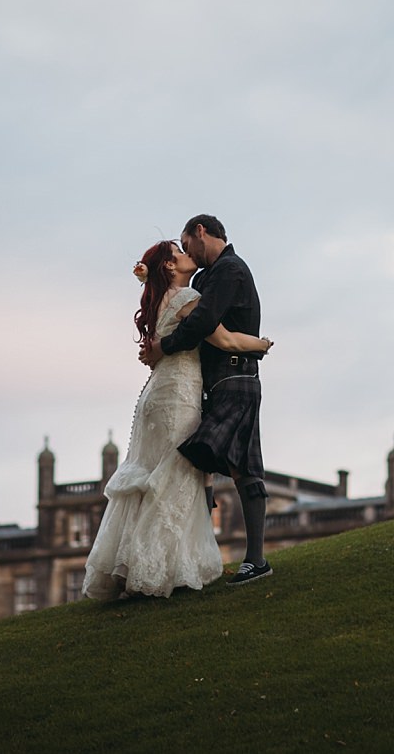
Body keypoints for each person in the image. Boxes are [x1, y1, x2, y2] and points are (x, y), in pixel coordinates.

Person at [83, 237, 272, 601]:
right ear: (170, 267)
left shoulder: (159, 301)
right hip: (179, 396)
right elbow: (227, 341)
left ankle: (128, 566)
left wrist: (146, 277)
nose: (188, 255)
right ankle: (155, 568)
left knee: (150, 474)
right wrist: (262, 344)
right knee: (175, 477)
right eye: (180, 252)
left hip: (154, 396)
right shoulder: (187, 299)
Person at [139, 214, 272, 586]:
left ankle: (256, 561)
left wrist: (163, 346)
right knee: (204, 462)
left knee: (233, 462)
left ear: (201, 232)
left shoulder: (230, 269)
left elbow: (203, 323)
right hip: (215, 381)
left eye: (185, 243)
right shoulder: (204, 278)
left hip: (237, 376)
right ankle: (194, 555)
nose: (186, 251)